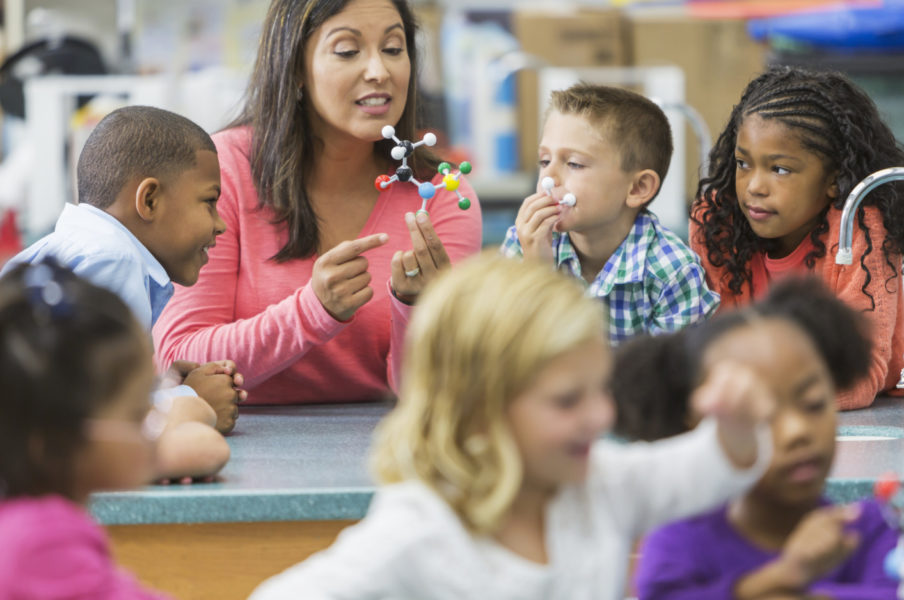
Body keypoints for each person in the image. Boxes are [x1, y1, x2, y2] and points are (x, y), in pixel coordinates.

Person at [247, 254, 773, 599]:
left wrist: (738, 424)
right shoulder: (421, 531)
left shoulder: (599, 485)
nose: (601, 417)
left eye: (600, 390)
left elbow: (710, 469)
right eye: (567, 401)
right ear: (480, 408)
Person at [153, 0, 482, 405]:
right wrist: (313, 312)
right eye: (348, 51)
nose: (379, 71)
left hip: (383, 450)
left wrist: (416, 307)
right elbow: (178, 361)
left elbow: (436, 393)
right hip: (236, 445)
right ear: (296, 70)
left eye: (393, 48)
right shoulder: (223, 171)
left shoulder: (440, 194)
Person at [617, 276, 899, 599]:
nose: (797, 432)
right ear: (698, 430)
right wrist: (788, 573)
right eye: (759, 416)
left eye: (813, 404)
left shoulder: (873, 529)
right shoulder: (677, 543)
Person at [3, 105, 245, 436]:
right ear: (149, 200)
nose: (220, 225)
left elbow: (74, 379)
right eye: (209, 201)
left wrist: (162, 385)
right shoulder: (115, 259)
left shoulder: (79, 247)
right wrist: (192, 400)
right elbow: (96, 418)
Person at [0, 261, 229, 598]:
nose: (155, 422)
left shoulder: (34, 519)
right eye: (138, 414)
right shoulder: (40, 541)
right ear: (54, 443)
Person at [690, 65, 904, 410]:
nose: (754, 187)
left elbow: (861, 374)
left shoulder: (860, 226)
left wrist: (752, 395)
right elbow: (719, 348)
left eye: (780, 169)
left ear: (835, 179)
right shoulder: (717, 222)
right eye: (744, 163)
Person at [500, 83, 718, 345]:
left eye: (574, 164)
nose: (548, 178)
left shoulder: (673, 272)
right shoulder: (524, 243)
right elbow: (506, 360)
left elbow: (671, 379)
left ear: (638, 188)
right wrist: (536, 276)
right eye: (545, 161)